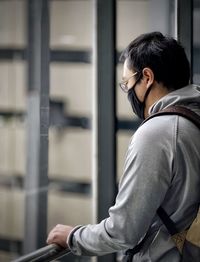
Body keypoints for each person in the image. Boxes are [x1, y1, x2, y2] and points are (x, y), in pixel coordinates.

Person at [47, 32, 200, 261]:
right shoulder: (194, 119)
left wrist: (73, 237)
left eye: (127, 83)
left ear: (147, 77)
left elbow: (123, 231)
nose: (128, 92)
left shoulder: (158, 133)